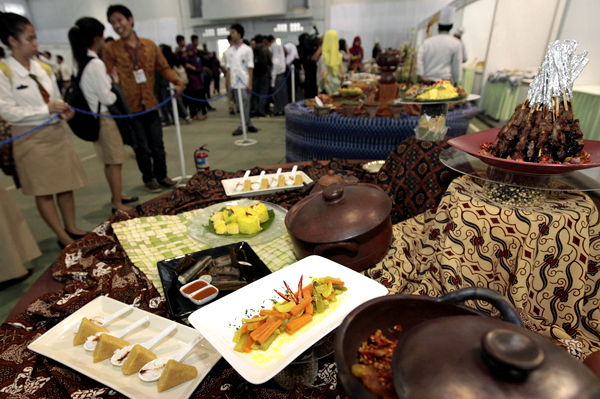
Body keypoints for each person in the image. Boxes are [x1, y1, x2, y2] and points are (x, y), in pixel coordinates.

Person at [0, 11, 88, 249]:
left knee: (65, 182)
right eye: (30, 38)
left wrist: (62, 111)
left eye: (35, 37)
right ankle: (62, 235)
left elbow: (56, 100)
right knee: (44, 189)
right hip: (29, 137)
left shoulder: (44, 68)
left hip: (55, 134)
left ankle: (71, 226)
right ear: (12, 41)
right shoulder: (4, 70)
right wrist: (45, 109)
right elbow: (6, 110)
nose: (36, 43)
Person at [103, 4, 184, 193]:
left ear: (130, 19)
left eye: (120, 20)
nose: (117, 25)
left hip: (151, 104)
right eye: (113, 23)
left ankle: (162, 175)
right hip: (130, 108)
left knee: (157, 143)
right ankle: (148, 178)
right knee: (141, 146)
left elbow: (164, 67)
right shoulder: (111, 48)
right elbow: (107, 75)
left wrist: (177, 82)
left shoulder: (149, 45)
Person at [68, 17, 137, 213]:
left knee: (109, 162)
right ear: (97, 38)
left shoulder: (80, 62)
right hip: (105, 118)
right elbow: (107, 98)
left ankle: (117, 195)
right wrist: (113, 82)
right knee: (115, 162)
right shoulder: (95, 64)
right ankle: (118, 203)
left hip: (94, 118)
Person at [226, 23, 258, 136]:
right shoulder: (229, 51)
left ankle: (242, 125)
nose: (231, 35)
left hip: (244, 81)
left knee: (246, 103)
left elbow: (250, 67)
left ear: (239, 34)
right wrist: (229, 84)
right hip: (235, 83)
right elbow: (228, 68)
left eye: (233, 32)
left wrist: (250, 83)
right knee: (240, 105)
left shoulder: (247, 49)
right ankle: (248, 123)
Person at [417, 5, 463, 85]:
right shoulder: (456, 43)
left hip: (427, 82)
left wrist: (421, 76)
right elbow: (457, 65)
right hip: (444, 84)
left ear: (438, 27)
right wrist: (457, 83)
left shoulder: (427, 42)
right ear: (451, 27)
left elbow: (419, 59)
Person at [160, 44, 191, 124]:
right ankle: (184, 115)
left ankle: (179, 116)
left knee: (173, 101)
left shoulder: (165, 60)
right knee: (178, 100)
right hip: (177, 81)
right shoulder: (174, 57)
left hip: (171, 82)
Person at [184, 43, 208, 121]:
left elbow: (199, 70)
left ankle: (204, 113)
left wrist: (191, 67)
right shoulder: (187, 59)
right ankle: (193, 114)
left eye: (190, 51)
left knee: (200, 99)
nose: (189, 52)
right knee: (191, 101)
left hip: (198, 83)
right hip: (189, 83)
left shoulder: (197, 59)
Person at [317, 30, 344, 96]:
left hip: (325, 92)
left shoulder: (323, 57)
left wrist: (319, 89)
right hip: (337, 91)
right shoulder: (339, 56)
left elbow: (321, 76)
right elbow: (342, 75)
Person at [251, 34, 272, 117]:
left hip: (254, 75)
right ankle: (261, 110)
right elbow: (270, 60)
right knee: (263, 93)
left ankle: (256, 109)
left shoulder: (251, 50)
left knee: (255, 94)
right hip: (264, 74)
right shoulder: (265, 49)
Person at [270, 36, 288, 116]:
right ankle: (284, 109)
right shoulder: (282, 58)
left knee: (277, 96)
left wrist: (272, 84)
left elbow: (274, 72)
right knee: (284, 94)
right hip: (283, 77)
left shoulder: (275, 59)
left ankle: (278, 110)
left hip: (277, 78)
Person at [298, 33, 320, 99]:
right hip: (309, 78)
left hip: (314, 78)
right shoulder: (304, 51)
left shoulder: (310, 50)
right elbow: (313, 58)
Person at [222, 35, 236, 115]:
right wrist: (226, 73)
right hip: (229, 74)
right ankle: (231, 108)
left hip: (237, 74)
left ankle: (238, 106)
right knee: (230, 92)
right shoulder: (226, 53)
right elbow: (223, 64)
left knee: (237, 91)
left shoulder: (238, 51)